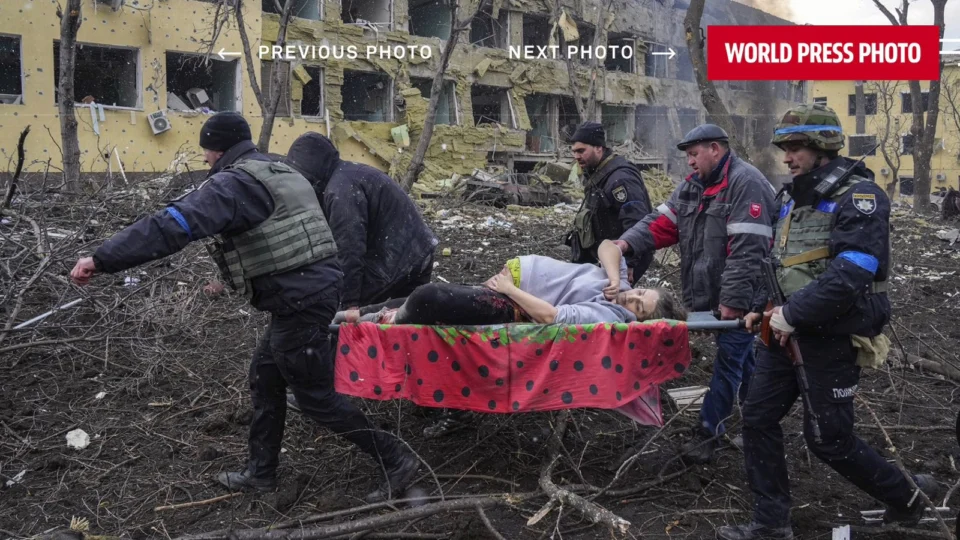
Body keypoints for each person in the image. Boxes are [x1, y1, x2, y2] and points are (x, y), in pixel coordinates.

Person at [68, 112, 419, 503]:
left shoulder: (234, 184)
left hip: (301, 299)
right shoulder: (276, 167)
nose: (204, 159)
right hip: (310, 291)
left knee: (314, 395)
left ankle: (396, 457)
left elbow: (172, 225)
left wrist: (102, 259)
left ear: (217, 150)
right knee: (265, 377)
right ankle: (260, 473)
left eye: (205, 150)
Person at [718, 104, 938, 540]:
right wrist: (761, 309)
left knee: (829, 440)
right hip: (782, 334)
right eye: (786, 148)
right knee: (757, 418)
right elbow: (782, 265)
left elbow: (852, 272)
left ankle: (908, 499)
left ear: (822, 148)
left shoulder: (859, 197)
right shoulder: (792, 199)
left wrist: (792, 315)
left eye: (796, 147)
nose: (787, 157)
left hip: (829, 336)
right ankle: (770, 524)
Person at [614, 124, 776, 464]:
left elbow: (749, 251)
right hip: (714, 295)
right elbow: (660, 224)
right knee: (744, 359)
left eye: (693, 155)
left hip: (745, 296)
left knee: (730, 361)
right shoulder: (692, 188)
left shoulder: (747, 185)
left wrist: (732, 302)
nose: (689, 162)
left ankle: (708, 432)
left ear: (714, 149)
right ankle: (759, 421)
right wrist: (625, 243)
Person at [340, 240, 687, 326]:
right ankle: (347, 315)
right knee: (419, 297)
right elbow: (609, 246)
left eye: (639, 307)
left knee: (427, 297)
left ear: (638, 321)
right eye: (640, 293)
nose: (632, 299)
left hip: (514, 302)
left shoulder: (610, 317)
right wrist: (615, 277)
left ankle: (376, 322)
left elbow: (551, 316)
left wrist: (509, 289)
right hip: (512, 283)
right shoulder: (620, 286)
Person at [284, 132, 438, 311]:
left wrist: (349, 303)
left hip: (399, 259)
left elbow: (349, 248)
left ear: (311, 172)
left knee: (343, 316)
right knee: (402, 321)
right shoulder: (346, 175)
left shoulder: (341, 191)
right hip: (416, 251)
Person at [565, 121, 654, 283]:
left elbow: (636, 221)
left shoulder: (620, 178)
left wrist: (629, 262)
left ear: (599, 147)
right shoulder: (598, 173)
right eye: (574, 152)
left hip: (621, 258)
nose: (576, 156)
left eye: (581, 151)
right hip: (606, 256)